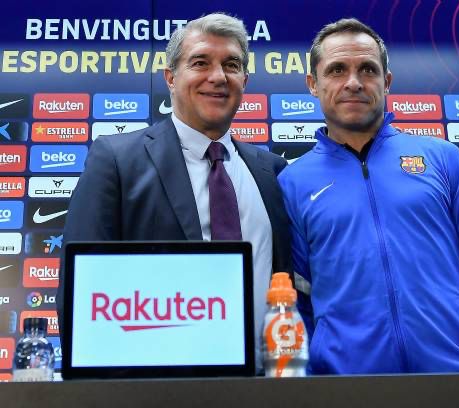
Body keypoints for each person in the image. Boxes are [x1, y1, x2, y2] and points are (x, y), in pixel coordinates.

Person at [278, 18, 459, 374]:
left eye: (367, 69)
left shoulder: (443, 159)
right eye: (337, 70)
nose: (353, 82)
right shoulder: (292, 183)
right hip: (347, 392)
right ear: (312, 84)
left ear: (387, 82)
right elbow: (296, 302)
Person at [57, 13, 291, 372]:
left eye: (231, 65)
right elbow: (80, 293)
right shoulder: (116, 160)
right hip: (153, 387)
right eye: (200, 63)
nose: (218, 77)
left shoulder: (272, 172)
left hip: (263, 385)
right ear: (171, 77)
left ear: (244, 80)